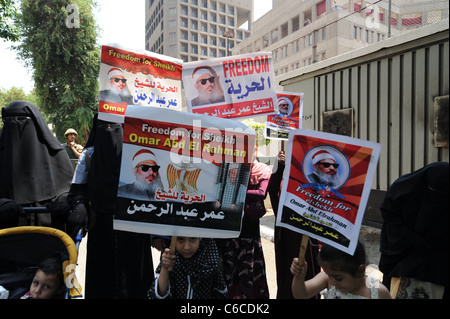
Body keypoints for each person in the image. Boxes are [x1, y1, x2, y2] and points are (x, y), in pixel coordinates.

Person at [69, 114, 154, 299]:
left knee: (134, 278)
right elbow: (76, 188)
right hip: (101, 224)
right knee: (103, 279)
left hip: (133, 223)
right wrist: (79, 206)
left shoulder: (138, 156)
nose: (109, 132)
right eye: (104, 126)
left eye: (114, 126)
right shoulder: (88, 155)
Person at [379, 162, 449, 299]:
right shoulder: (403, 190)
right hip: (402, 252)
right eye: (433, 191)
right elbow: (390, 214)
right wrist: (411, 239)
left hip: (438, 258)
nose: (436, 199)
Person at [0, 100, 74, 228]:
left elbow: (69, 190)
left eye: (21, 118)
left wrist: (63, 200)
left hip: (47, 229)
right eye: (7, 120)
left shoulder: (55, 154)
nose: (13, 123)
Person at [267, 150, 321, 299]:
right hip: (287, 241)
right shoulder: (284, 186)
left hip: (309, 243)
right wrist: (280, 164)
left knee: (310, 277)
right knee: (288, 278)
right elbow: (272, 190)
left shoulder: (315, 188)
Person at [220, 147, 272, 299]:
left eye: (251, 148)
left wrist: (237, 191)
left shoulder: (262, 169)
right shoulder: (233, 168)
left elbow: (262, 193)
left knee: (249, 270)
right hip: (232, 226)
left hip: (250, 228)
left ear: (256, 150)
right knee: (231, 269)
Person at [291, 241, 391, 299]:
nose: (332, 281)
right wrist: (299, 276)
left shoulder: (377, 291)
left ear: (360, 271)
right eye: (328, 274)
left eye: (338, 278)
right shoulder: (327, 278)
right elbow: (301, 295)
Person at [148, 237, 227, 299]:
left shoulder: (211, 261)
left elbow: (220, 293)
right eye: (181, 239)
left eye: (192, 238)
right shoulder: (171, 258)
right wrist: (165, 268)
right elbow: (160, 294)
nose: (187, 247)